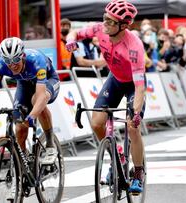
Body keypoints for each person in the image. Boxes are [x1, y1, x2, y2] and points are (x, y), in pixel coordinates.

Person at [65, 0, 146, 194]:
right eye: (105, 19)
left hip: (133, 85)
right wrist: (70, 40)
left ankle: (138, 172)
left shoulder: (134, 47)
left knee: (133, 127)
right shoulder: (100, 29)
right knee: (96, 123)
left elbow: (140, 86)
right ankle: (115, 153)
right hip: (115, 79)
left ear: (124, 25)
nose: (105, 24)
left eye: (111, 22)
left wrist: (135, 113)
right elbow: (74, 32)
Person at [0, 37, 60, 166]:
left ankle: (50, 145)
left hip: (48, 81)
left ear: (23, 55)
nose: (12, 64)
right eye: (8, 60)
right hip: (24, 84)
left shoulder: (36, 60)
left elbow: (41, 96)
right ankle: (23, 164)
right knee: (19, 127)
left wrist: (32, 116)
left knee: (37, 100)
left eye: (16, 59)